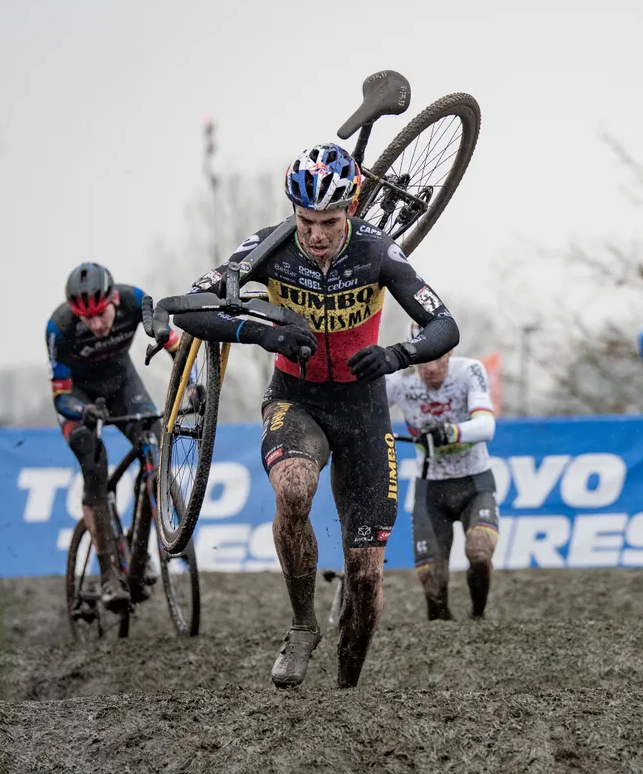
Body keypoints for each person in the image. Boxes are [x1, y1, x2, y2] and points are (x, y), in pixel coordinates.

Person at [172, 142, 459, 690]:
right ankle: (302, 626)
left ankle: (345, 693)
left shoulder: (377, 251)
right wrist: (264, 332)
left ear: (350, 208)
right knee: (294, 489)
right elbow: (194, 307)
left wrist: (400, 354)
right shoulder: (270, 246)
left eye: (329, 221)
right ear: (293, 211)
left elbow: (444, 325)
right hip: (296, 400)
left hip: (364, 410)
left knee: (365, 578)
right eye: (306, 221)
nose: (317, 235)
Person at [46, 263, 182, 613]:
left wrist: (191, 385)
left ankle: (141, 552)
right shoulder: (59, 328)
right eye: (86, 319)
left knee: (155, 439)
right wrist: (83, 410)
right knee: (94, 463)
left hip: (122, 383)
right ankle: (108, 573)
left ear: (113, 300)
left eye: (100, 315)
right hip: (79, 399)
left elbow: (173, 344)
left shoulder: (134, 300)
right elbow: (61, 395)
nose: (96, 325)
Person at [386, 323, 498, 621]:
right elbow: (362, 415)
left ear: (450, 352)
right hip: (430, 489)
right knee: (431, 578)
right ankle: (441, 625)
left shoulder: (469, 371)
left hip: (474, 481)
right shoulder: (399, 381)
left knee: (479, 552)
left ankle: (478, 615)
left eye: (438, 358)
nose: (431, 368)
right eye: (423, 358)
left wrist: (449, 432)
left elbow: (486, 427)